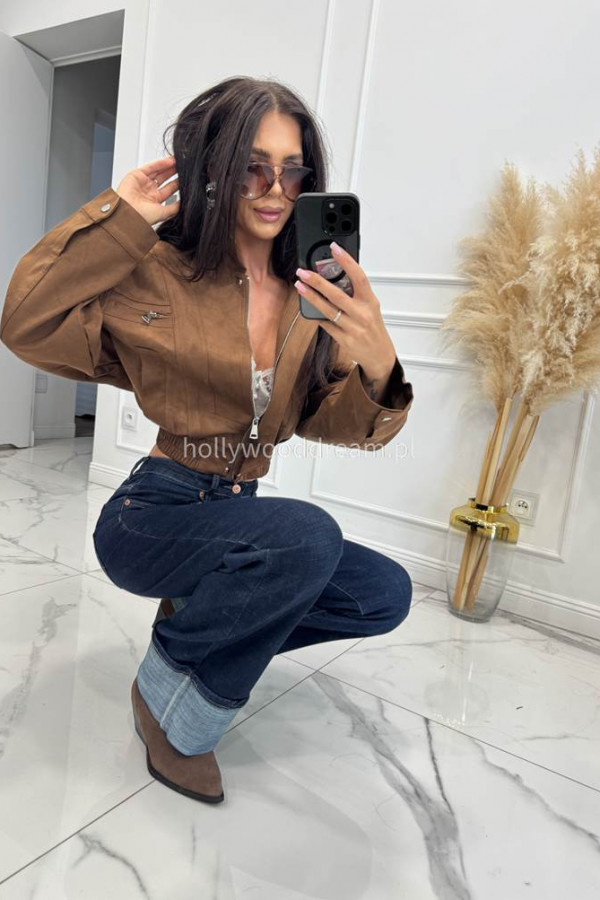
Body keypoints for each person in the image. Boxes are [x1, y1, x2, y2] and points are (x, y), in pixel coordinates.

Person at [1, 76, 414, 806]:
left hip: (241, 516)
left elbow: (332, 423)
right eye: (254, 166)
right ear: (217, 169)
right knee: (306, 536)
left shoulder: (310, 293)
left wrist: (379, 363)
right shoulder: (154, 271)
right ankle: (177, 719)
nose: (275, 189)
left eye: (293, 171)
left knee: (382, 594)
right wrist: (117, 218)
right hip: (155, 511)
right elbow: (27, 324)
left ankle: (181, 646)